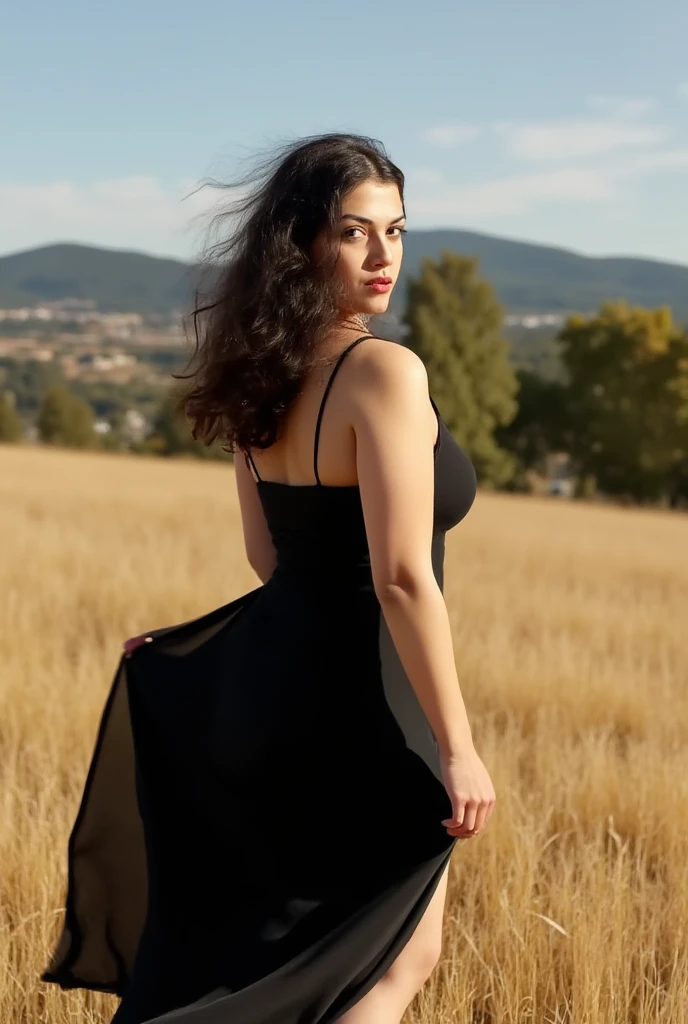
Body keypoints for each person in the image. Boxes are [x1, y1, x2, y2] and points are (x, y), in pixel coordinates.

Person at [42, 132, 495, 1024]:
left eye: (397, 231)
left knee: (300, 969)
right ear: (305, 242)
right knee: (392, 964)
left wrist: (195, 652)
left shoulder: (262, 373)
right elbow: (401, 577)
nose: (384, 256)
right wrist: (457, 746)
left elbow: (272, 563)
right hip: (369, 707)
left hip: (269, 697)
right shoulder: (386, 373)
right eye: (356, 232)